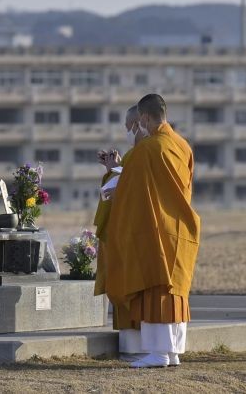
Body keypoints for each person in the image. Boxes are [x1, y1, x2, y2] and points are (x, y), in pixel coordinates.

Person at [105, 94, 201, 368]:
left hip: (154, 229)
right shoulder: (183, 146)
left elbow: (126, 192)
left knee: (155, 289)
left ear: (144, 118)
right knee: (175, 291)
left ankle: (159, 353)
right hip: (180, 228)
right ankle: (172, 352)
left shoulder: (145, 150)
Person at [93, 105, 148, 356]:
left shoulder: (148, 153)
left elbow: (142, 188)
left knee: (133, 288)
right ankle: (131, 347)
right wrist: (113, 169)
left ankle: (142, 347)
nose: (127, 133)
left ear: (138, 124)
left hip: (136, 232)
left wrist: (118, 171)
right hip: (121, 229)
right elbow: (124, 183)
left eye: (128, 128)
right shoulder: (131, 155)